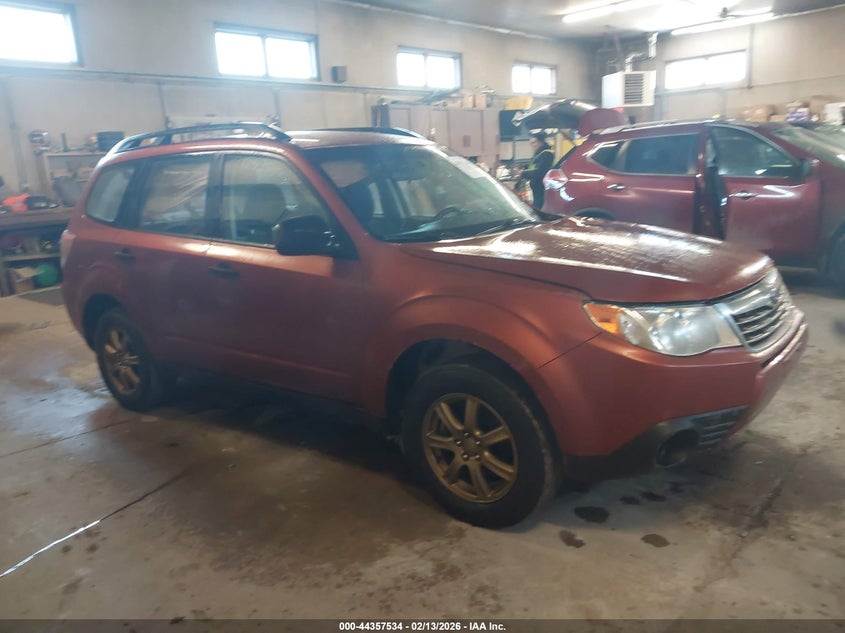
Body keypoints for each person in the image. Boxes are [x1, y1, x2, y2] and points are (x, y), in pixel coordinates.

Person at [518, 131, 555, 210]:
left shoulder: (546, 154)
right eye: (531, 143)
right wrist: (524, 168)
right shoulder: (540, 154)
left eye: (534, 142)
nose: (532, 145)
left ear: (540, 142)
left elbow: (540, 172)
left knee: (539, 209)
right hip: (537, 189)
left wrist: (523, 173)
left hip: (541, 189)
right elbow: (534, 167)